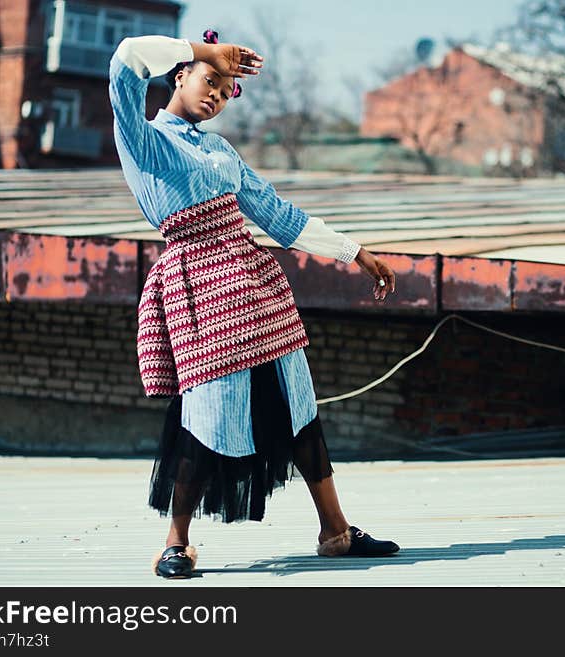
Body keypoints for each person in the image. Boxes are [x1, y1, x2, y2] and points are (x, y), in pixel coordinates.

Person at [108, 29, 400, 579]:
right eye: (208, 80)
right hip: (199, 288)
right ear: (181, 74)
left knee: (299, 406)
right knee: (206, 417)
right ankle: (177, 541)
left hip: (258, 288)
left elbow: (277, 214)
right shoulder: (144, 139)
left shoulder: (221, 151)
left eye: (225, 89)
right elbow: (125, 60)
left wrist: (355, 251)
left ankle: (336, 531)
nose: (216, 93)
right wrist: (204, 49)